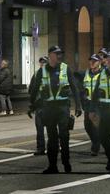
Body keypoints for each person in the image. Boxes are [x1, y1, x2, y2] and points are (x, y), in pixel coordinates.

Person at [28, 46, 81, 174]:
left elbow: (74, 87)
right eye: (56, 54)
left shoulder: (65, 68)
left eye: (60, 54)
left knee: (64, 136)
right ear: (50, 55)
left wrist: (78, 106)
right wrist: (32, 106)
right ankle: (52, 166)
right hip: (49, 108)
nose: (59, 56)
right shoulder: (42, 71)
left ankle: (66, 163)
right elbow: (34, 90)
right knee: (52, 138)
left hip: (63, 107)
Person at [77, 54, 102, 156]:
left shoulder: (103, 74)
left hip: (99, 104)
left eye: (94, 61)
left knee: (96, 126)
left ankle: (95, 147)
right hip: (88, 104)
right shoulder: (85, 74)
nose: (92, 63)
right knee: (87, 127)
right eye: (91, 61)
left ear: (99, 62)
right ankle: (97, 141)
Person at [28, 56, 49, 155]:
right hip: (39, 106)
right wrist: (32, 104)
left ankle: (53, 147)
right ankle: (40, 148)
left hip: (50, 106)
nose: (42, 64)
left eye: (44, 62)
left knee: (51, 128)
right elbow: (31, 89)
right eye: (41, 62)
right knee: (39, 128)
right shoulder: (36, 74)